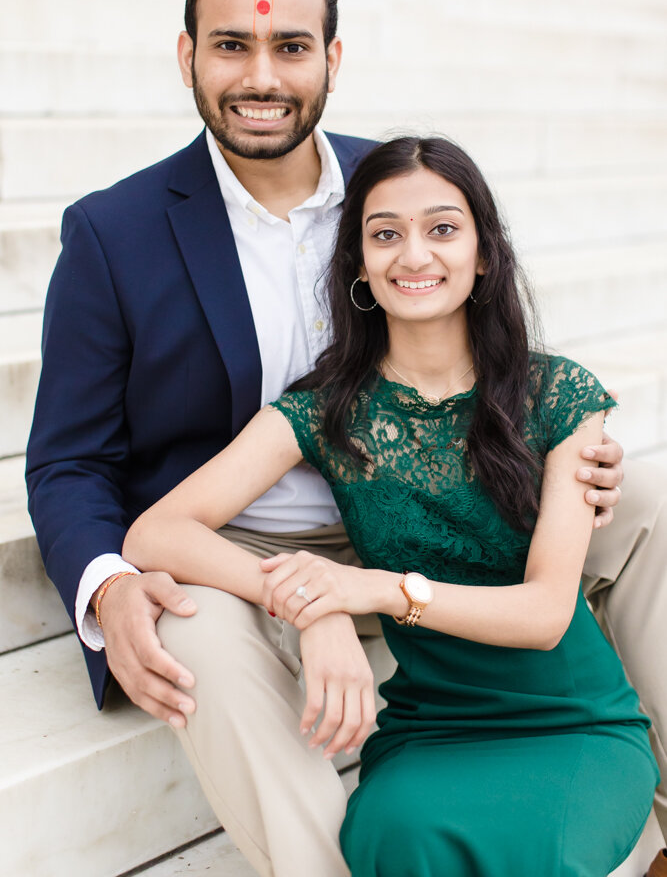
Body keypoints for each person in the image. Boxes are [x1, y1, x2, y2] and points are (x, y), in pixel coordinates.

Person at [25, 0, 666, 877]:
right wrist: (113, 584)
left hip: (423, 505)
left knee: (649, 502)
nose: (260, 74)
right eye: (230, 46)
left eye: (289, 47)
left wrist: (564, 444)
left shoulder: (394, 188)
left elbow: (488, 343)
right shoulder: (114, 232)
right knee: (188, 634)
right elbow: (68, 462)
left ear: (331, 59)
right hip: (237, 542)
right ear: (187, 55)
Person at [122, 135, 658, 876]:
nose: (413, 255)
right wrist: (315, 606)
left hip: (569, 723)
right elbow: (157, 531)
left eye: (442, 229)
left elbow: (542, 616)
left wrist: (368, 589)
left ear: (482, 257)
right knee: (391, 840)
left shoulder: (558, 395)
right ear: (359, 269)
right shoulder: (323, 412)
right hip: (432, 729)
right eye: (385, 234)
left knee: (536, 854)